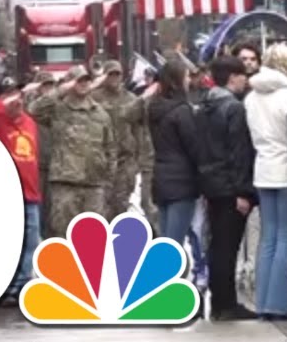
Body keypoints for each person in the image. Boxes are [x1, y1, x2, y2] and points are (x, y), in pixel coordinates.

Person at [245, 44, 287, 321]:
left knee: (268, 238)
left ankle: (264, 301)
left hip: (262, 168)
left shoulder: (251, 97)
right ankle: (279, 303)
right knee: (286, 237)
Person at [197, 56, 257, 322]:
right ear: (232, 77)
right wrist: (244, 192)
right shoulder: (233, 108)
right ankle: (227, 303)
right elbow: (239, 153)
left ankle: (220, 301)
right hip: (231, 185)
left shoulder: (205, 106)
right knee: (228, 247)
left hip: (211, 184)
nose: (246, 79)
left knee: (217, 245)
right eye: (242, 74)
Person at [0, 79, 42, 305]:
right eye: (10, 96)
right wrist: (0, 106)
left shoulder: (30, 122)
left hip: (30, 190)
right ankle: (3, 286)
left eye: (18, 96)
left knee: (30, 241)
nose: (16, 101)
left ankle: (20, 285)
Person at [29, 65, 116, 237]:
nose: (83, 84)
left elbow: (110, 148)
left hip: (94, 184)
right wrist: (59, 91)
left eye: (86, 80)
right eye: (78, 80)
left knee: (93, 235)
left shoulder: (100, 113)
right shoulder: (58, 109)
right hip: (65, 183)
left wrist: (108, 180)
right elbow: (33, 110)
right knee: (63, 233)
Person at [149, 61, 199, 244]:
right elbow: (194, 146)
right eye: (186, 76)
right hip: (182, 181)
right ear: (177, 81)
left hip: (161, 178)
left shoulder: (155, 110)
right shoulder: (182, 111)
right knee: (175, 242)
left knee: (165, 238)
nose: (189, 80)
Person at [91, 61, 140, 221]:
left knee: (121, 206)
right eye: (110, 74)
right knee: (102, 208)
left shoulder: (131, 98)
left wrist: (136, 161)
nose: (114, 78)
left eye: (117, 74)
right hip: (102, 160)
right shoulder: (94, 98)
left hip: (124, 160)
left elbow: (138, 130)